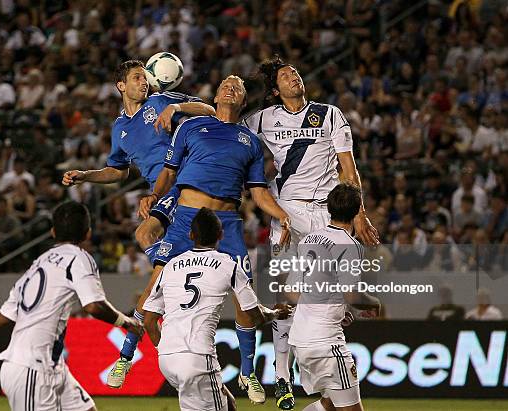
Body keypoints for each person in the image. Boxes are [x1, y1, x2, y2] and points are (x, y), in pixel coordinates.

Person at [138, 75, 292, 403]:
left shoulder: (250, 141)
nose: (230, 87)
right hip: (185, 221)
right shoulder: (191, 126)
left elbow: (259, 193)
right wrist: (153, 196)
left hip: (227, 223)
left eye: (237, 86)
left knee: (244, 300)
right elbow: (168, 173)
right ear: (217, 94)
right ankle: (161, 358)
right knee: (151, 299)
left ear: (244, 100)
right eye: (225, 83)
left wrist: (280, 215)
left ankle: (248, 374)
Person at [62, 59, 215, 387]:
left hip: (185, 182)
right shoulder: (120, 128)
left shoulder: (160, 102)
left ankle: (168, 278)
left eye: (144, 78)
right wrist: (86, 175)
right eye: (135, 79)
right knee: (150, 293)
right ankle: (128, 356)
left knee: (144, 232)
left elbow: (208, 109)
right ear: (121, 86)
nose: (142, 83)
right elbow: (118, 170)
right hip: (162, 194)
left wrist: (178, 110)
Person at [242, 56, 379, 410]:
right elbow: (229, 131)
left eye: (296, 72)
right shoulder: (262, 119)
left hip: (328, 211)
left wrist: (360, 212)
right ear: (275, 89)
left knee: (329, 293)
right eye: (285, 76)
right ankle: (282, 377)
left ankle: (326, 370)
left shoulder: (330, 114)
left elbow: (349, 167)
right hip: (288, 210)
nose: (293, 77)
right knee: (286, 295)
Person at [0, 201, 142, 411]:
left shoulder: (39, 262)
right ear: (88, 234)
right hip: (32, 369)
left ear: (53, 232)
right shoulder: (79, 258)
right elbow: (93, 306)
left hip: (51, 366)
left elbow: (8, 313)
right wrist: (126, 322)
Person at [143, 207, 291, 411]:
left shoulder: (170, 266)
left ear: (191, 235)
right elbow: (253, 315)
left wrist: (167, 350)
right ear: (221, 235)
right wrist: (275, 313)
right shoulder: (228, 265)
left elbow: (149, 321)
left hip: (167, 359)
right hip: (197, 357)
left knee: (227, 404)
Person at [286, 183, 381, 411]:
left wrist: (336, 308)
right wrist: (373, 303)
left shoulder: (309, 240)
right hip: (325, 343)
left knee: (329, 404)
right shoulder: (349, 245)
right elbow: (352, 294)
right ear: (358, 209)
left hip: (299, 340)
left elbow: (291, 292)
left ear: (328, 208)